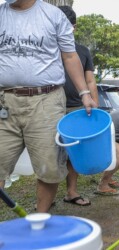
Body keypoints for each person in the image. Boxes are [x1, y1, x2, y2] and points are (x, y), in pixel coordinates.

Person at [0, 0, 96, 213]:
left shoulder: (53, 15)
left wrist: (85, 93)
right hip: (4, 101)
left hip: (46, 101)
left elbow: (70, 56)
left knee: (49, 167)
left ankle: (40, 218)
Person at [58, 5, 98, 206]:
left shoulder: (82, 51)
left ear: (72, 27)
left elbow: (90, 80)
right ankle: (46, 198)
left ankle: (71, 192)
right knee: (50, 153)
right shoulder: (46, 48)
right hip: (49, 106)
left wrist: (95, 103)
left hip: (76, 107)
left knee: (74, 153)